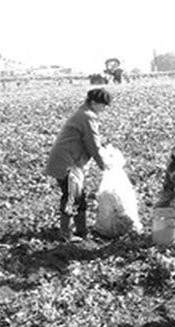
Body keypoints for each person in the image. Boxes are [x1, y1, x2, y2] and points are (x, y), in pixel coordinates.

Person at [45, 88, 112, 242]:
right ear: (94, 102)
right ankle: (65, 233)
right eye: (103, 105)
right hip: (66, 162)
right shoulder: (87, 117)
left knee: (78, 196)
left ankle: (81, 232)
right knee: (72, 197)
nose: (104, 109)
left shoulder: (84, 114)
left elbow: (93, 144)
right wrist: (104, 166)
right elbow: (93, 145)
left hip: (72, 161)